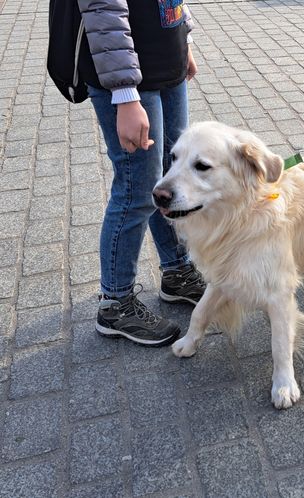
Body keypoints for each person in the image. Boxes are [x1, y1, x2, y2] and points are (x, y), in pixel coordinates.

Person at [78, 0, 205, 346]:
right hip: (129, 81)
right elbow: (103, 11)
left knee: (170, 177)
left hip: (166, 63)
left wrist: (185, 41)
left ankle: (176, 271)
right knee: (136, 190)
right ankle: (115, 304)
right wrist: (124, 93)